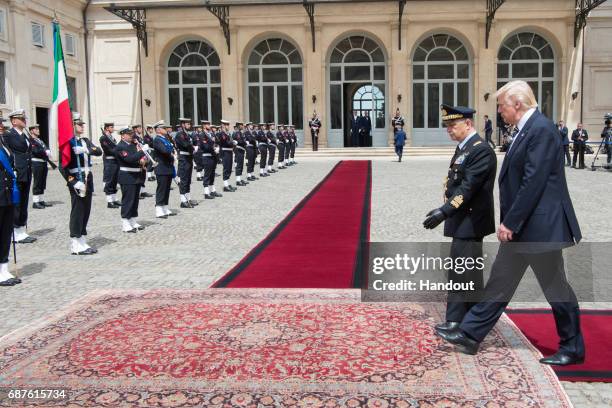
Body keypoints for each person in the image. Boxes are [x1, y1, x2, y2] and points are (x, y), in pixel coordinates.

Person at [436, 80, 584, 366]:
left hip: (539, 227)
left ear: (517, 104)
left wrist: (510, 222)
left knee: (555, 288)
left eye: (502, 106)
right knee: (500, 283)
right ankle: (469, 334)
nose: (500, 112)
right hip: (527, 226)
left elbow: (534, 182)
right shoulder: (527, 129)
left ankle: (573, 346)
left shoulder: (541, 129)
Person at [423, 104, 496, 333]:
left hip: (471, 220)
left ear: (468, 124)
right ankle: (472, 319)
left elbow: (467, 188)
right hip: (463, 219)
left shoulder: (480, 149)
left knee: (460, 270)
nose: (449, 130)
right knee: (468, 271)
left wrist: (444, 211)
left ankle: (456, 320)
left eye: (453, 125)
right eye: (447, 126)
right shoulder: (464, 148)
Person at [62, 113, 102, 255]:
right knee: (77, 210)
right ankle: (75, 241)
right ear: (72, 126)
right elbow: (63, 166)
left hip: (87, 176)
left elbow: (98, 151)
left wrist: (85, 149)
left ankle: (82, 239)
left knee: (86, 209)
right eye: (79, 124)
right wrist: (73, 182)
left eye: (82, 124)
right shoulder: (68, 142)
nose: (82, 126)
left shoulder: (84, 141)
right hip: (76, 177)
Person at [4, 110, 36, 244]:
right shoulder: (8, 135)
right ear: (13, 121)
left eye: (24, 118)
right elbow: (7, 153)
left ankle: (22, 228)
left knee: (24, 201)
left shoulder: (25, 135)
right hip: (17, 171)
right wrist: (12, 169)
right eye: (21, 119)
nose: (24, 121)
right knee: (17, 202)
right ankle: (15, 231)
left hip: (27, 171)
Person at [115, 126, 148, 233]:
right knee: (128, 200)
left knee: (135, 200)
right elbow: (129, 159)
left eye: (131, 134)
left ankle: (133, 220)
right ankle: (125, 222)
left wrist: (143, 159)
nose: (131, 136)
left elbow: (137, 158)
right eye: (129, 134)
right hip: (127, 176)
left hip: (136, 175)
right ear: (123, 135)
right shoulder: (120, 146)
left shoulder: (133, 145)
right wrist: (142, 152)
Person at [0, 123, 21, 286]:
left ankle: (4, 268)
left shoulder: (3, 143)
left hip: (7, 195)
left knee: (6, 231)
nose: (1, 127)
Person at [151, 121, 176, 218]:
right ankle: (158, 209)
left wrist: (171, 151)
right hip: (162, 167)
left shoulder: (165, 139)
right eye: (164, 128)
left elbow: (170, 149)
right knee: (161, 189)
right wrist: (171, 151)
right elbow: (165, 151)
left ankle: (165, 207)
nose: (166, 130)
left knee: (167, 189)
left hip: (168, 166)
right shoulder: (157, 139)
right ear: (158, 130)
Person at [29, 124, 54, 209]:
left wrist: (47, 151)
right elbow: (35, 151)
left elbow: (45, 148)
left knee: (42, 182)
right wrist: (45, 152)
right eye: (36, 129)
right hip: (36, 163)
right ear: (32, 131)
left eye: (38, 129)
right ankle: (35, 202)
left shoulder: (39, 140)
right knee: (37, 182)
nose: (38, 130)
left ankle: (41, 200)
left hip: (43, 162)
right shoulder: (31, 140)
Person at [175, 118, 197, 207]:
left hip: (188, 157)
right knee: (184, 180)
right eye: (187, 124)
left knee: (188, 179)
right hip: (184, 158)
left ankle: (188, 198)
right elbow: (186, 144)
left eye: (189, 124)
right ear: (183, 124)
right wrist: (193, 148)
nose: (189, 125)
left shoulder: (186, 134)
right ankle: (183, 200)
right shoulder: (180, 134)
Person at [100, 122, 121, 208]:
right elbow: (108, 150)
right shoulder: (103, 138)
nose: (113, 128)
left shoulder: (111, 138)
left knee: (114, 181)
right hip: (109, 161)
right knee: (109, 181)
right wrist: (118, 152)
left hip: (115, 161)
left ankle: (114, 199)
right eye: (111, 127)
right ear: (107, 128)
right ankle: (109, 201)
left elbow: (115, 147)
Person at [199, 120, 222, 199]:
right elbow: (205, 146)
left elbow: (218, 141)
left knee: (212, 174)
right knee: (207, 174)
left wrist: (217, 146)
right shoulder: (202, 135)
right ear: (204, 126)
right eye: (208, 124)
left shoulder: (211, 133)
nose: (210, 125)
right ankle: (206, 192)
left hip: (213, 156)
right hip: (207, 156)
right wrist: (214, 148)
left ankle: (212, 190)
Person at [219, 120, 237, 192]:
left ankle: (227, 183)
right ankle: (225, 186)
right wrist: (233, 142)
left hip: (229, 152)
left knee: (229, 168)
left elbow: (230, 142)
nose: (228, 126)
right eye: (226, 125)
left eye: (228, 125)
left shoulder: (228, 134)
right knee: (226, 168)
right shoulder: (222, 134)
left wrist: (232, 142)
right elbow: (225, 143)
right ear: (223, 125)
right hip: (225, 152)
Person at [233, 122, 249, 186]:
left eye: (242, 125)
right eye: (241, 125)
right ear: (238, 126)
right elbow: (239, 141)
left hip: (241, 150)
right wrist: (245, 142)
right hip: (239, 150)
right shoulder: (237, 133)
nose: (242, 126)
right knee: (239, 165)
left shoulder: (240, 133)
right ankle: (238, 180)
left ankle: (239, 178)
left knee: (241, 165)